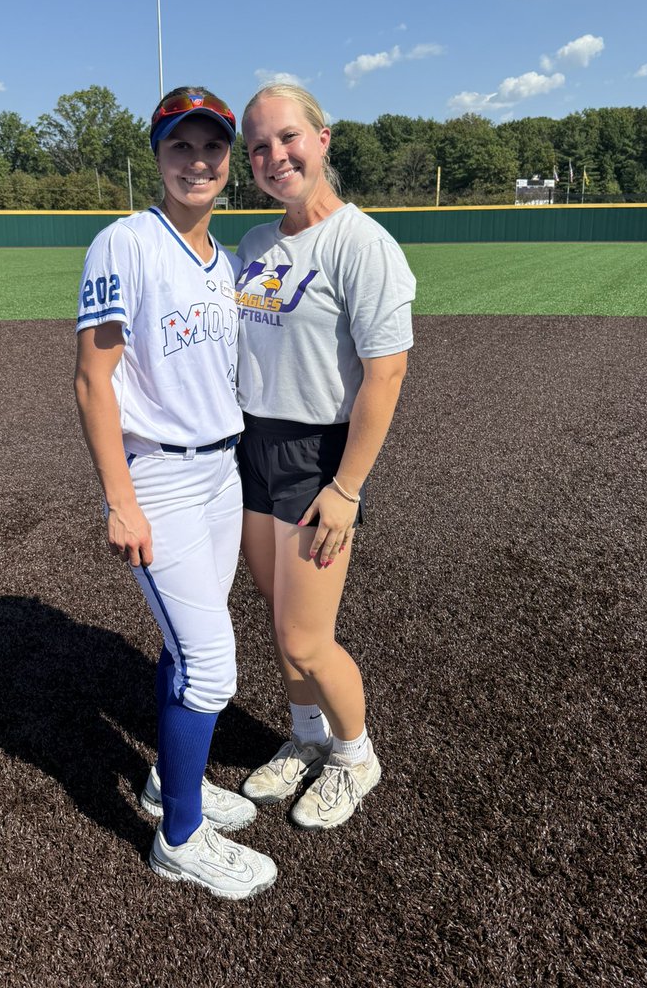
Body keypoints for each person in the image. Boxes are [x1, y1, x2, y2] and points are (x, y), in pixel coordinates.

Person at [74, 87, 277, 899]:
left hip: (218, 474)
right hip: (155, 472)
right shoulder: (126, 242)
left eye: (212, 148)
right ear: (156, 157)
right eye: (180, 147)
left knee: (183, 644)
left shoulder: (227, 263)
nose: (198, 162)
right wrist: (121, 499)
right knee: (213, 668)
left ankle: (168, 784)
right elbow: (94, 381)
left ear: (230, 163)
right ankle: (179, 838)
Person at [235, 84, 416, 829]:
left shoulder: (362, 244)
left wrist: (347, 487)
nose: (275, 156)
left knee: (307, 637)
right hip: (255, 448)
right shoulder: (252, 245)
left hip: (320, 461)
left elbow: (388, 371)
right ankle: (305, 738)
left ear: (323, 139)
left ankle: (355, 754)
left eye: (288, 138)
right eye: (258, 146)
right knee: (279, 620)